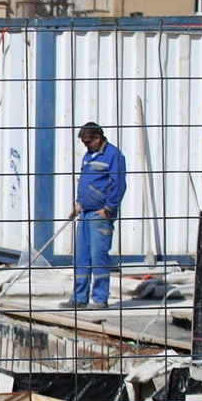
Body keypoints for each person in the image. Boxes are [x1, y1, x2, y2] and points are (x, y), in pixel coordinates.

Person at [61, 123, 127, 310]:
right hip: (85, 212)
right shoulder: (89, 156)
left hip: (100, 216)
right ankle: (79, 298)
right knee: (82, 256)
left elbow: (119, 184)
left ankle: (99, 299)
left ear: (98, 138)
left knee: (98, 257)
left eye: (88, 142)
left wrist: (109, 208)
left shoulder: (113, 155)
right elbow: (86, 181)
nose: (86, 146)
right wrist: (79, 203)